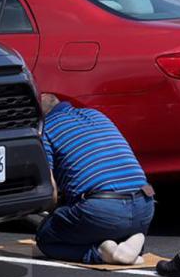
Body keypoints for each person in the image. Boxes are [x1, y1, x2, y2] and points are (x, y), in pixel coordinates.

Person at [36, 94, 155, 265]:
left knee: (46, 237)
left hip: (102, 209)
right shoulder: (97, 115)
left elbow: (51, 192)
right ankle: (134, 238)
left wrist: (50, 210)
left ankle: (100, 252)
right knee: (114, 223)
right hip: (145, 205)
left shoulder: (46, 130)